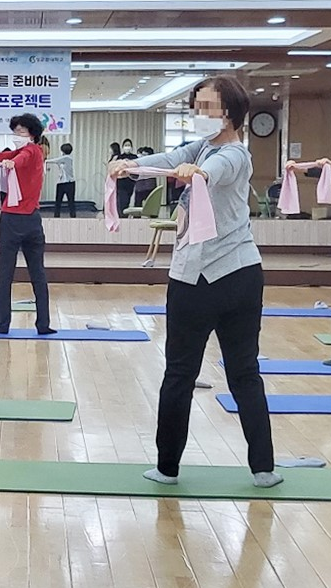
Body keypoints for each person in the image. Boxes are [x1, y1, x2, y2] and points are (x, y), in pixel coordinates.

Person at [109, 75, 282, 489]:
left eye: (207, 107)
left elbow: (215, 170)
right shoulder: (200, 146)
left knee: (242, 372)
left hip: (233, 277)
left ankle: (263, 467)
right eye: (196, 107)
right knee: (180, 374)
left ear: (231, 113)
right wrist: (130, 167)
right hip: (196, 277)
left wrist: (197, 172)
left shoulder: (234, 154)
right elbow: (170, 159)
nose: (199, 114)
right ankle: (168, 467)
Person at [0, 113, 54, 336]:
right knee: (30, 274)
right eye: (15, 131)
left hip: (18, 220)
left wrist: (10, 162)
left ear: (32, 134)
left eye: (21, 131)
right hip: (26, 219)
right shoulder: (20, 150)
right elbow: (0, 156)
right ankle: (36, 324)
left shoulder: (33, 150)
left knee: (11, 274)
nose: (17, 135)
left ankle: (10, 324)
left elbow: (20, 158)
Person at [47, 143, 76, 218]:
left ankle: (73, 217)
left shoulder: (68, 158)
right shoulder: (63, 158)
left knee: (71, 201)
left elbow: (55, 160)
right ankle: (56, 216)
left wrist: (45, 160)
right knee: (58, 201)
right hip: (61, 182)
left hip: (69, 182)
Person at [115, 138, 138, 217]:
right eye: (125, 145)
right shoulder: (119, 157)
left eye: (129, 145)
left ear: (131, 147)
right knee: (122, 201)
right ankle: (122, 217)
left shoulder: (134, 157)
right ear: (122, 147)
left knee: (127, 200)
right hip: (120, 183)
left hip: (130, 182)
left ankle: (124, 215)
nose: (127, 147)